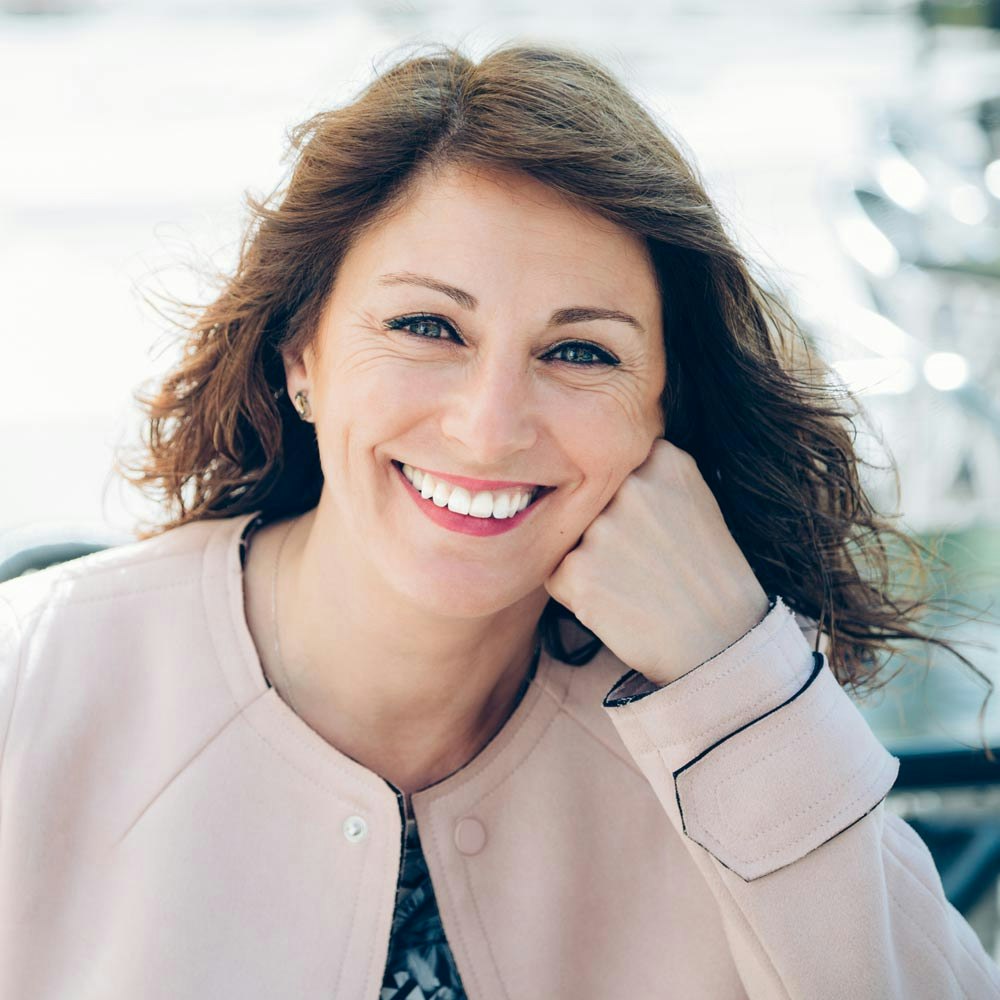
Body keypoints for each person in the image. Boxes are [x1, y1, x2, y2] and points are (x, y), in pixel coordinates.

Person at [1, 41, 998, 1000]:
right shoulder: (34, 676)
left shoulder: (731, 718)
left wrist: (733, 674)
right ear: (300, 354)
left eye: (581, 353)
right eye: (427, 326)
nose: (488, 429)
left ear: (663, 409)